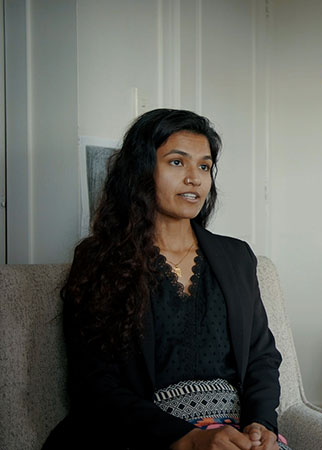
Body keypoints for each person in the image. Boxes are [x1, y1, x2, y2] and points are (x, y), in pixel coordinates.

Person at [44, 109, 288, 450]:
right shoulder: (100, 259)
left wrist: (261, 423)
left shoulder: (237, 257)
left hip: (234, 433)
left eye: (204, 166)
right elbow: (93, 383)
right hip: (145, 434)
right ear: (142, 171)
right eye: (177, 163)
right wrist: (190, 439)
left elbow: (262, 356)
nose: (194, 178)